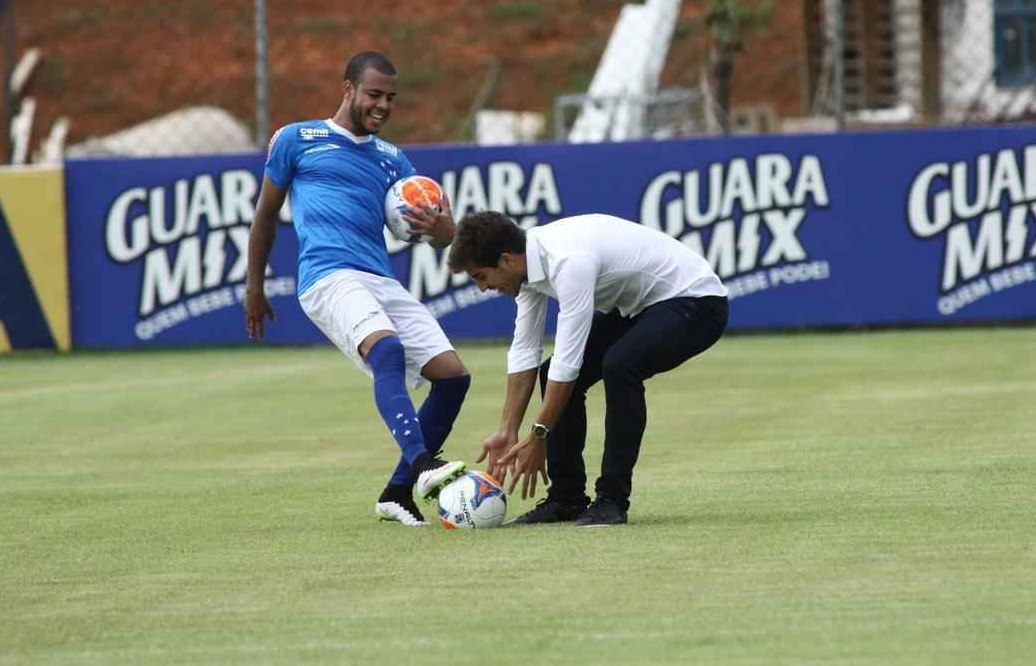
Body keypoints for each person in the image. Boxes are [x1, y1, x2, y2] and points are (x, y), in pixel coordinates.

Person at [244, 51, 470, 527]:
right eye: (373, 94)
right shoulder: (297, 139)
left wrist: (442, 227)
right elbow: (265, 215)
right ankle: (422, 462)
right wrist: (254, 285)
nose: (383, 105)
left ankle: (398, 493)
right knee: (385, 351)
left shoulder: (393, 160)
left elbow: (440, 235)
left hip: (378, 277)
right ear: (347, 88)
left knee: (453, 376)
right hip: (327, 275)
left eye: (390, 97)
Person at [447, 211, 729, 527]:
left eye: (481, 277)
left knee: (620, 366)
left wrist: (539, 434)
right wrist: (508, 429)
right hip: (642, 308)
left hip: (698, 303)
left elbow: (570, 361)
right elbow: (525, 351)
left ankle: (612, 501)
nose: (483, 288)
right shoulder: (527, 266)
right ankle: (566, 499)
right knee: (548, 370)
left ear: (506, 261)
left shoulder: (569, 262)